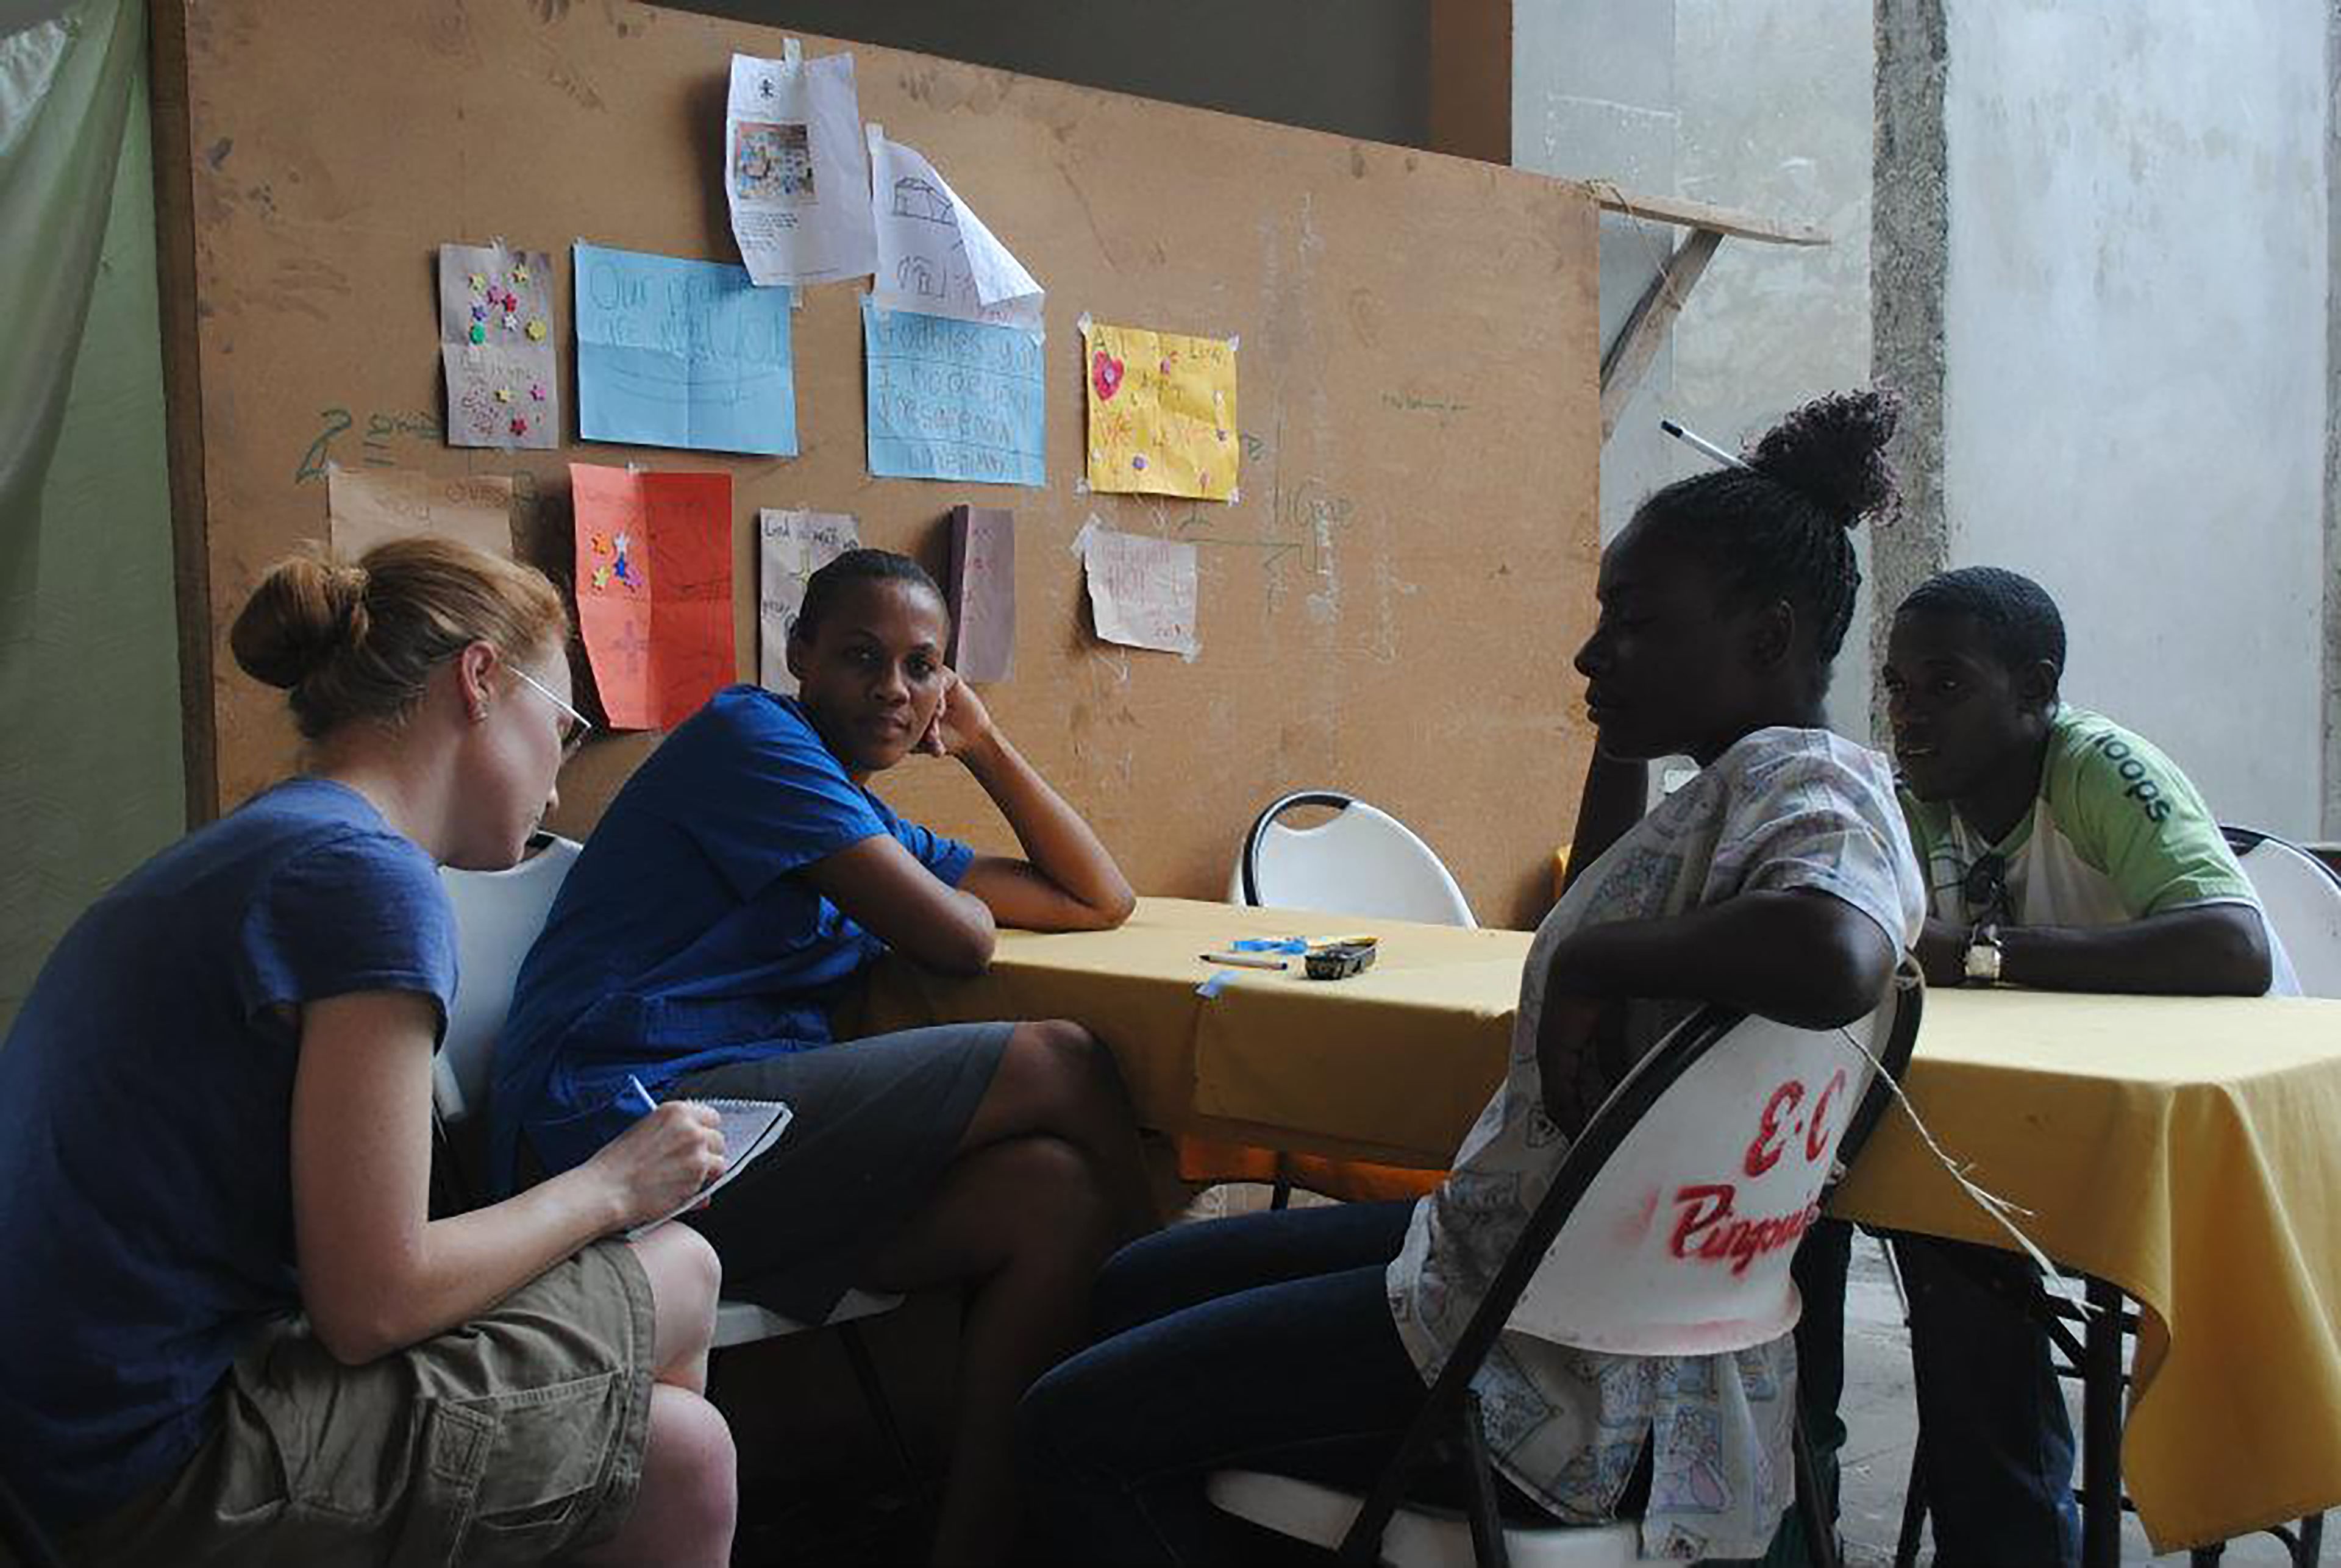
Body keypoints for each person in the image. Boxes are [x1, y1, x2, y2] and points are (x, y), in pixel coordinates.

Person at [1015, 390, 1926, 1566]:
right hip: (1529, 1267)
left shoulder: (1815, 784)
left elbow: (1835, 952)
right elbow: (1599, 897)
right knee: (1141, 1279)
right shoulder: (1736, 785)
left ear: (1767, 638)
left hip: (1553, 1355)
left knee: (1070, 1432)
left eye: (1636, 623)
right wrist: (1623, 734)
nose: (1593, 652)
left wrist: (1600, 957)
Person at [0, 539, 737, 1567]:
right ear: (480, 680)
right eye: (562, 732)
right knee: (685, 1277)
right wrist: (611, 1187)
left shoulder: (277, 839)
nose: (559, 791)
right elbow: (373, 1301)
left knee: (680, 1452)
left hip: (58, 1437)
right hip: (148, 1469)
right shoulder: (368, 880)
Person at [490, 546, 1149, 1567]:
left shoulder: (853, 808)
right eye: (860, 657)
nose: (894, 689)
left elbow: (1097, 896)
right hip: (623, 1128)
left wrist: (983, 743)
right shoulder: (749, 739)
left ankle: (978, 1545)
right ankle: (1166, 1345)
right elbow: (959, 940)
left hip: (744, 1151)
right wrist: (949, 903)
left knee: (1051, 1196)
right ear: (797, 652)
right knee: (1058, 1060)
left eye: (923, 667)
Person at [1880, 565, 2290, 1567]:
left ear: (2035, 689)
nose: (1910, 715)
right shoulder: (1924, 803)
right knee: (1920, 1226)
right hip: (2042, 1136)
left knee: (1964, 1257)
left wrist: (1983, 958)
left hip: (2189, 1148)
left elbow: (2234, 948)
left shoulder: (2095, 769)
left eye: (1944, 685)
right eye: (1895, 687)